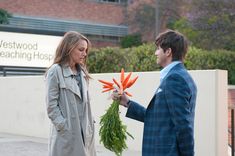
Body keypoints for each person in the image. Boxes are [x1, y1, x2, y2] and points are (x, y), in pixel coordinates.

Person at [113, 30, 197, 156]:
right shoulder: (177, 76)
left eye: (158, 49)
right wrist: (127, 102)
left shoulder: (175, 78)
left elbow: (183, 126)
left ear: (168, 52)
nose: (155, 53)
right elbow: (157, 118)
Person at [45, 31, 96, 156]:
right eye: (81, 50)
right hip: (66, 135)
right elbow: (51, 106)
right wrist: (64, 127)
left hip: (85, 132)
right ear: (69, 48)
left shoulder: (83, 73)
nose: (84, 54)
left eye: (86, 50)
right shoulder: (55, 71)